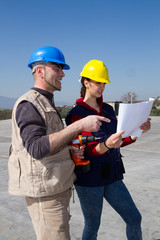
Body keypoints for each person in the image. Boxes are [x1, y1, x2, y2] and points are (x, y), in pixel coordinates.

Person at [8, 48, 110, 240]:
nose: (63, 74)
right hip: (45, 193)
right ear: (40, 71)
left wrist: (71, 151)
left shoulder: (46, 102)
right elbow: (37, 148)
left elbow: (53, 142)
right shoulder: (29, 104)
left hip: (56, 187)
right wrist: (80, 124)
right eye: (58, 68)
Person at [65, 59, 151, 240]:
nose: (102, 86)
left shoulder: (108, 109)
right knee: (93, 226)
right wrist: (107, 145)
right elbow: (87, 150)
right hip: (89, 179)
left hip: (112, 175)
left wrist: (136, 134)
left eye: (104, 83)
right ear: (86, 82)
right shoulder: (77, 114)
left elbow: (116, 140)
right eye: (98, 82)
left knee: (134, 218)